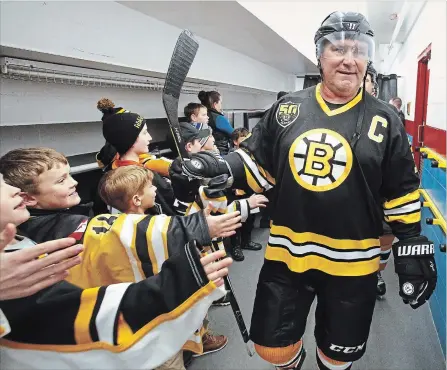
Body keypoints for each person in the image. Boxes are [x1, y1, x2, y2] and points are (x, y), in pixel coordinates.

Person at [171, 11, 437, 370]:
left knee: (338, 354)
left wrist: (410, 242)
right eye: (339, 49)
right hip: (288, 257)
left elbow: (401, 191)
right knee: (274, 349)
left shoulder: (385, 121)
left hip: (353, 264)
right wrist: (214, 166)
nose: (349, 59)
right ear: (320, 55)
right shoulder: (287, 109)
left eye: (358, 50)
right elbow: (256, 165)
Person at [0, 173, 233, 369]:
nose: (14, 190)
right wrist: (194, 233)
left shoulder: (19, 241)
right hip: (115, 329)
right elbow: (120, 232)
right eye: (61, 179)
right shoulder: (62, 228)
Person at [96, 98, 176, 215]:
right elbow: (173, 214)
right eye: (144, 132)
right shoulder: (146, 178)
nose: (150, 137)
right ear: (130, 140)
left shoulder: (109, 176)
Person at [364, 63, 394, 298]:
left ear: (374, 86)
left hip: (378, 192)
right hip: (342, 195)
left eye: (366, 79)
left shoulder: (387, 115)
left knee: (383, 236)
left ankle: (375, 273)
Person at [198, 91, 234, 155]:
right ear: (215, 104)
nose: (221, 106)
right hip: (221, 152)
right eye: (220, 103)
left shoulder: (201, 116)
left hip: (205, 152)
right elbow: (234, 134)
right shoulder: (218, 118)